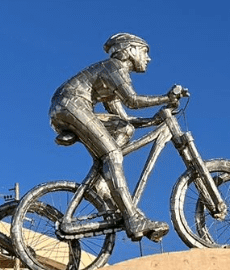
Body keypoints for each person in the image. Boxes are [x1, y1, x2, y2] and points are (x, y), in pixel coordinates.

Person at [49, 33, 185, 242]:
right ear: (130, 50)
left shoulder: (109, 78)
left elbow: (125, 117)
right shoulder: (115, 67)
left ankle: (104, 182)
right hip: (72, 105)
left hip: (68, 107)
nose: (148, 58)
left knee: (124, 129)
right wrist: (166, 98)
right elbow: (132, 100)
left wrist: (153, 120)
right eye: (145, 52)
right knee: (113, 155)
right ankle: (132, 217)